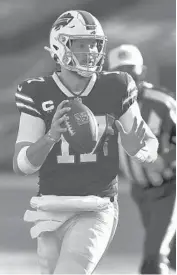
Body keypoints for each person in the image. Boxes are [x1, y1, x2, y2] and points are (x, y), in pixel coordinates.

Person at [13, 11, 158, 275]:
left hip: (96, 206)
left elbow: (148, 143)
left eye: (94, 44)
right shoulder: (37, 92)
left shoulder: (117, 86)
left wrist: (137, 148)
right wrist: (50, 137)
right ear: (60, 45)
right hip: (49, 207)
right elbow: (23, 164)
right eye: (81, 44)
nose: (90, 51)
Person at [108, 44, 176, 274]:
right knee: (172, 254)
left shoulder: (161, 103)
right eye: (120, 73)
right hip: (140, 191)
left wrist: (165, 160)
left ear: (142, 72)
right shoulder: (106, 107)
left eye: (131, 71)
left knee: (153, 258)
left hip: (169, 188)